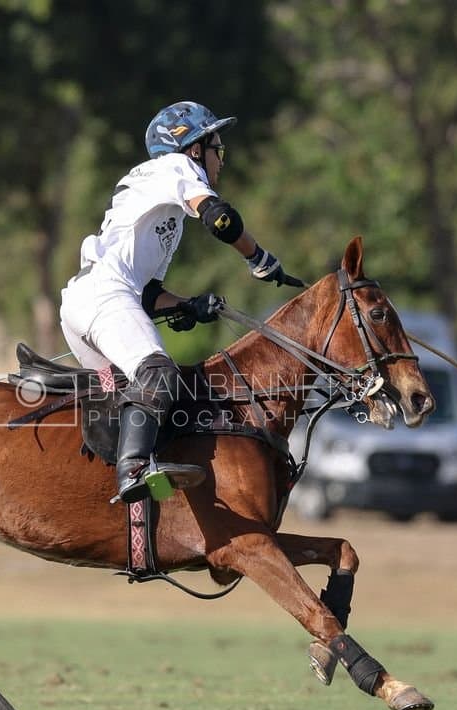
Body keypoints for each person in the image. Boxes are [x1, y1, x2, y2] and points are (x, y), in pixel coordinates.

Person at [59, 100, 304, 504]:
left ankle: (137, 509)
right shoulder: (178, 169)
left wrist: (187, 305)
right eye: (216, 147)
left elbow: (149, 293)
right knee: (159, 376)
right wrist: (258, 258)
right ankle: (134, 471)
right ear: (193, 148)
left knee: (136, 408)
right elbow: (220, 219)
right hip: (104, 295)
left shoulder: (164, 209)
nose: (221, 158)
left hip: (89, 302)